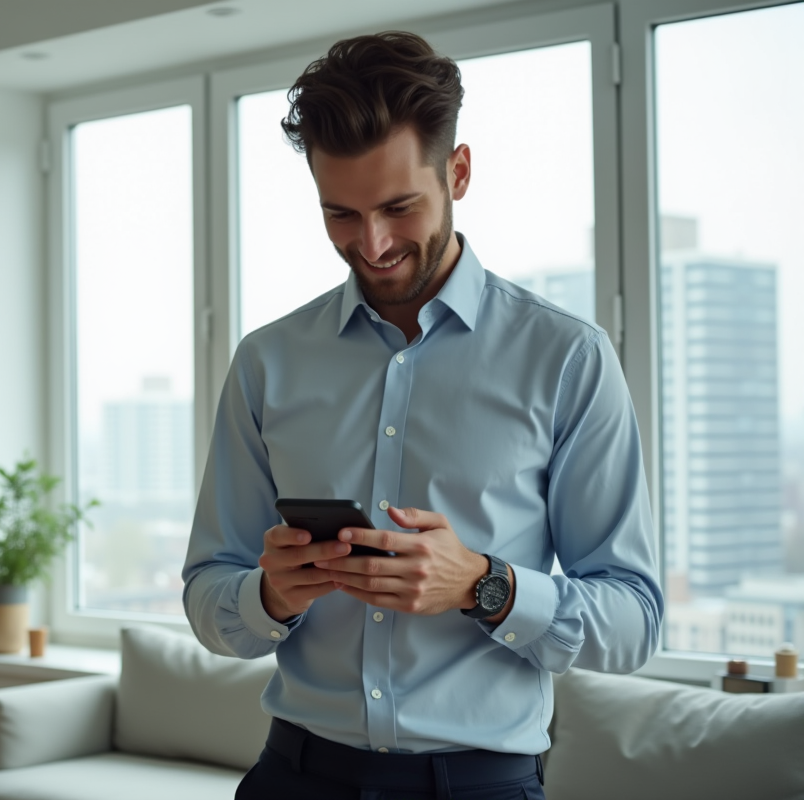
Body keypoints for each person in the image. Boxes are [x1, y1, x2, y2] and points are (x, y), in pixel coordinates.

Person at [181, 30, 663, 800]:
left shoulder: (567, 357)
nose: (371, 245)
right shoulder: (267, 362)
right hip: (293, 776)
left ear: (458, 172)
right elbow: (209, 592)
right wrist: (270, 596)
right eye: (340, 213)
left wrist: (484, 584)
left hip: (479, 784)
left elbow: (634, 619)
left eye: (398, 207)